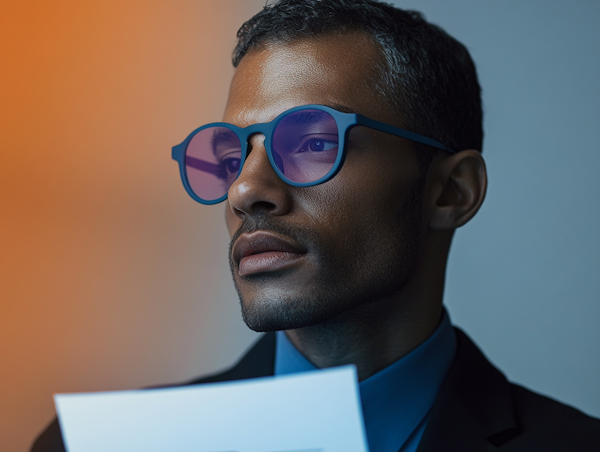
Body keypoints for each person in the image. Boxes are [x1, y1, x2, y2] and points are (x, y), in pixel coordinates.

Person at [31, 1, 600, 451]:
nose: (246, 190)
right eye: (230, 154)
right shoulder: (89, 447)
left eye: (311, 142)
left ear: (451, 191)